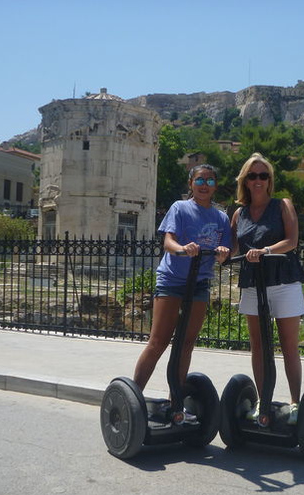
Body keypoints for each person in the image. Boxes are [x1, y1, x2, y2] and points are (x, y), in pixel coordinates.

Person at [132, 164, 231, 421]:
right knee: (158, 342)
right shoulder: (180, 207)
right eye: (200, 180)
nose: (204, 185)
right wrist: (182, 249)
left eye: (210, 181)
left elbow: (226, 251)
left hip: (198, 284)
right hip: (172, 280)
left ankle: (175, 403)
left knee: (186, 344)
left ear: (215, 186)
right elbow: (168, 241)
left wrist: (222, 253)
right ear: (191, 183)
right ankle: (132, 398)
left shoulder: (221, 217)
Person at [231, 153, 304, 425]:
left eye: (263, 175)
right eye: (253, 175)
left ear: (270, 180)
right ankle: (263, 401)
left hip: (283, 280)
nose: (258, 180)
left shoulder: (282, 205)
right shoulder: (239, 214)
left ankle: (296, 402)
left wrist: (265, 250)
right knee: (259, 347)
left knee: (288, 346)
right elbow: (231, 248)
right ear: (245, 180)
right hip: (253, 283)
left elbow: (292, 240)